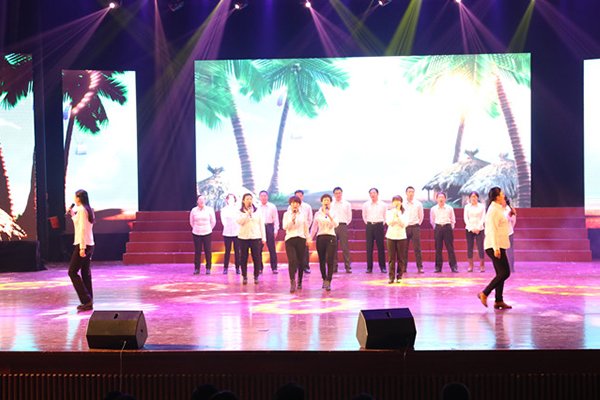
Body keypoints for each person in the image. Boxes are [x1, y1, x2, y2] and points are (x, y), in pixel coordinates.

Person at [477, 187, 512, 310]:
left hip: (499, 245)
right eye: (501, 194)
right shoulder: (493, 211)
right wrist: (496, 248)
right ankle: (485, 293)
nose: (503, 195)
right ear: (497, 197)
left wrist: (509, 215)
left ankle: (498, 300)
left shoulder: (498, 209)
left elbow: (502, 224)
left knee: (501, 273)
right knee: (505, 273)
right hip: (494, 246)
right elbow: (492, 230)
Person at [67, 189, 95, 312]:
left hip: (83, 244)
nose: (74, 199)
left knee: (72, 272)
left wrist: (82, 247)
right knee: (85, 273)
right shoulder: (87, 209)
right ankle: (89, 300)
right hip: (89, 243)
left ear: (79, 198)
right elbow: (78, 223)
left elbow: (82, 229)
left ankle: (86, 300)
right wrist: (72, 213)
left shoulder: (83, 210)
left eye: (75, 197)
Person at [310, 194, 339, 291]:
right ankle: (324, 278)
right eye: (324, 200)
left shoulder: (334, 212)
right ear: (321, 202)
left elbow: (336, 224)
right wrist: (310, 238)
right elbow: (314, 227)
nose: (326, 202)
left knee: (330, 259)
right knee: (321, 260)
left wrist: (329, 215)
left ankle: (329, 280)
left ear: (330, 202)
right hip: (320, 237)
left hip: (331, 237)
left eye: (328, 200)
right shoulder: (317, 214)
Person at [282, 196, 310, 293]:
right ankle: (292, 281)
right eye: (293, 203)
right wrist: (292, 220)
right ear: (290, 204)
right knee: (292, 260)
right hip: (290, 239)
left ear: (299, 204)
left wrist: (308, 238)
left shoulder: (303, 214)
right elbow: (285, 227)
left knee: (301, 261)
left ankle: (300, 281)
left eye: (297, 203)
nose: (295, 205)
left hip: (301, 238)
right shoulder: (286, 214)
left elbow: (306, 227)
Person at [237, 193, 266, 284]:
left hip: (255, 237)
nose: (249, 200)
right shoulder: (239, 211)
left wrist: (263, 237)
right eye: (247, 199)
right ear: (243, 201)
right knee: (243, 258)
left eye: (250, 199)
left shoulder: (258, 211)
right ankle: (244, 276)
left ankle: (256, 276)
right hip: (243, 237)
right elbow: (240, 222)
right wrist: (247, 214)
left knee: (256, 257)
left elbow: (261, 224)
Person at [429, 192, 458, 273]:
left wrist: (450, 228)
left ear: (445, 199)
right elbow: (432, 220)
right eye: (439, 197)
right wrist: (436, 227)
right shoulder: (433, 209)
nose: (441, 199)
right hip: (438, 228)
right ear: (436, 199)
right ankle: (438, 267)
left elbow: (453, 220)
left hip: (447, 227)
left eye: (442, 197)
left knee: (450, 248)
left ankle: (453, 267)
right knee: (438, 248)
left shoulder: (449, 208)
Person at [361, 188, 387, 273]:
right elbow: (364, 216)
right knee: (369, 247)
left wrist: (380, 224)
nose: (372, 194)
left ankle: (382, 267)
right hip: (369, 226)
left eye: (374, 193)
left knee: (381, 247)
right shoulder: (366, 205)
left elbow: (385, 216)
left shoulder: (383, 204)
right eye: (371, 193)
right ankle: (369, 267)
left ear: (377, 194)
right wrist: (369, 223)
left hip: (379, 226)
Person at [190, 195, 216, 275]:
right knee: (197, 251)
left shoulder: (210, 209)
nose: (201, 201)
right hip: (196, 233)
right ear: (197, 201)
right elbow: (191, 222)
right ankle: (197, 268)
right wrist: (196, 228)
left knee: (208, 251)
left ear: (205, 201)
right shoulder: (194, 210)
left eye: (203, 199)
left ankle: (208, 268)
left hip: (207, 232)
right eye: (200, 199)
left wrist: (209, 229)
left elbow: (213, 221)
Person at [385, 195, 408, 284]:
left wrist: (398, 216)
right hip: (391, 236)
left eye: (398, 200)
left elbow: (404, 224)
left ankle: (399, 276)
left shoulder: (405, 212)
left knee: (401, 258)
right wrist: (395, 217)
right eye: (394, 201)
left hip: (401, 236)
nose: (396, 202)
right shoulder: (389, 212)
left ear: (401, 202)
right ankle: (391, 277)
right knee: (391, 258)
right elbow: (389, 222)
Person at [463, 191, 486, 273]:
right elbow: (466, 218)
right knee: (470, 247)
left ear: (477, 197)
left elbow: (483, 218)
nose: (474, 198)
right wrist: (471, 228)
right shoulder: (467, 207)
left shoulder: (482, 206)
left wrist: (478, 228)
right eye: (472, 197)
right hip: (469, 229)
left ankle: (482, 265)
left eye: (475, 196)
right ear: (469, 198)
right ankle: (470, 265)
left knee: (480, 247)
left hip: (480, 229)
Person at [331, 186, 352, 273]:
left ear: (342, 193)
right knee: (333, 247)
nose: (338, 195)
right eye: (336, 193)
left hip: (343, 226)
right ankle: (334, 267)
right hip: (332, 227)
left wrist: (344, 223)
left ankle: (348, 267)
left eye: (339, 193)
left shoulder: (347, 204)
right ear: (334, 194)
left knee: (345, 247)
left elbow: (349, 217)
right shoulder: (331, 204)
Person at [291, 190, 313, 274]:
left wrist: (305, 228)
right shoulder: (290, 207)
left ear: (302, 196)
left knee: (305, 250)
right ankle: (296, 267)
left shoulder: (307, 206)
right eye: (297, 196)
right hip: (294, 231)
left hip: (304, 231)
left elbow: (310, 219)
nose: (298, 197)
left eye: (300, 196)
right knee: (295, 250)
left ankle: (306, 266)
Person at [404, 186, 424, 273]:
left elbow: (421, 216)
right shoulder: (402, 204)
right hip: (405, 228)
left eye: (412, 192)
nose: (411, 193)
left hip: (415, 227)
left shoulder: (418, 204)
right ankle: (403, 267)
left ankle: (420, 267)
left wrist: (417, 224)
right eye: (409, 192)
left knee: (417, 248)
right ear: (406, 193)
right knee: (404, 249)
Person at [258, 190, 280, 274]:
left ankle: (274, 268)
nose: (263, 197)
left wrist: (276, 229)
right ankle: (259, 268)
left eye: (265, 196)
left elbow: (276, 219)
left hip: (269, 227)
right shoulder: (256, 207)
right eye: (262, 196)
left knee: (272, 249)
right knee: (258, 249)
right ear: (259, 197)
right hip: (259, 228)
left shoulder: (272, 206)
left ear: (267, 197)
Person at [220, 194, 241, 274]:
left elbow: (240, 220)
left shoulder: (238, 209)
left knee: (237, 251)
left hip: (237, 232)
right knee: (227, 251)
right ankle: (225, 268)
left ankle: (237, 268)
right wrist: (228, 226)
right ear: (227, 200)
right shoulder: (224, 210)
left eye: (232, 199)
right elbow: (223, 221)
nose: (231, 200)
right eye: (229, 199)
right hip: (227, 233)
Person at [505, 197, 517, 272]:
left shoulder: (510, 209)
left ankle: (511, 267)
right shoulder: (497, 210)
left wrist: (510, 228)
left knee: (509, 250)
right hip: (499, 233)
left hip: (509, 232)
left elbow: (513, 221)